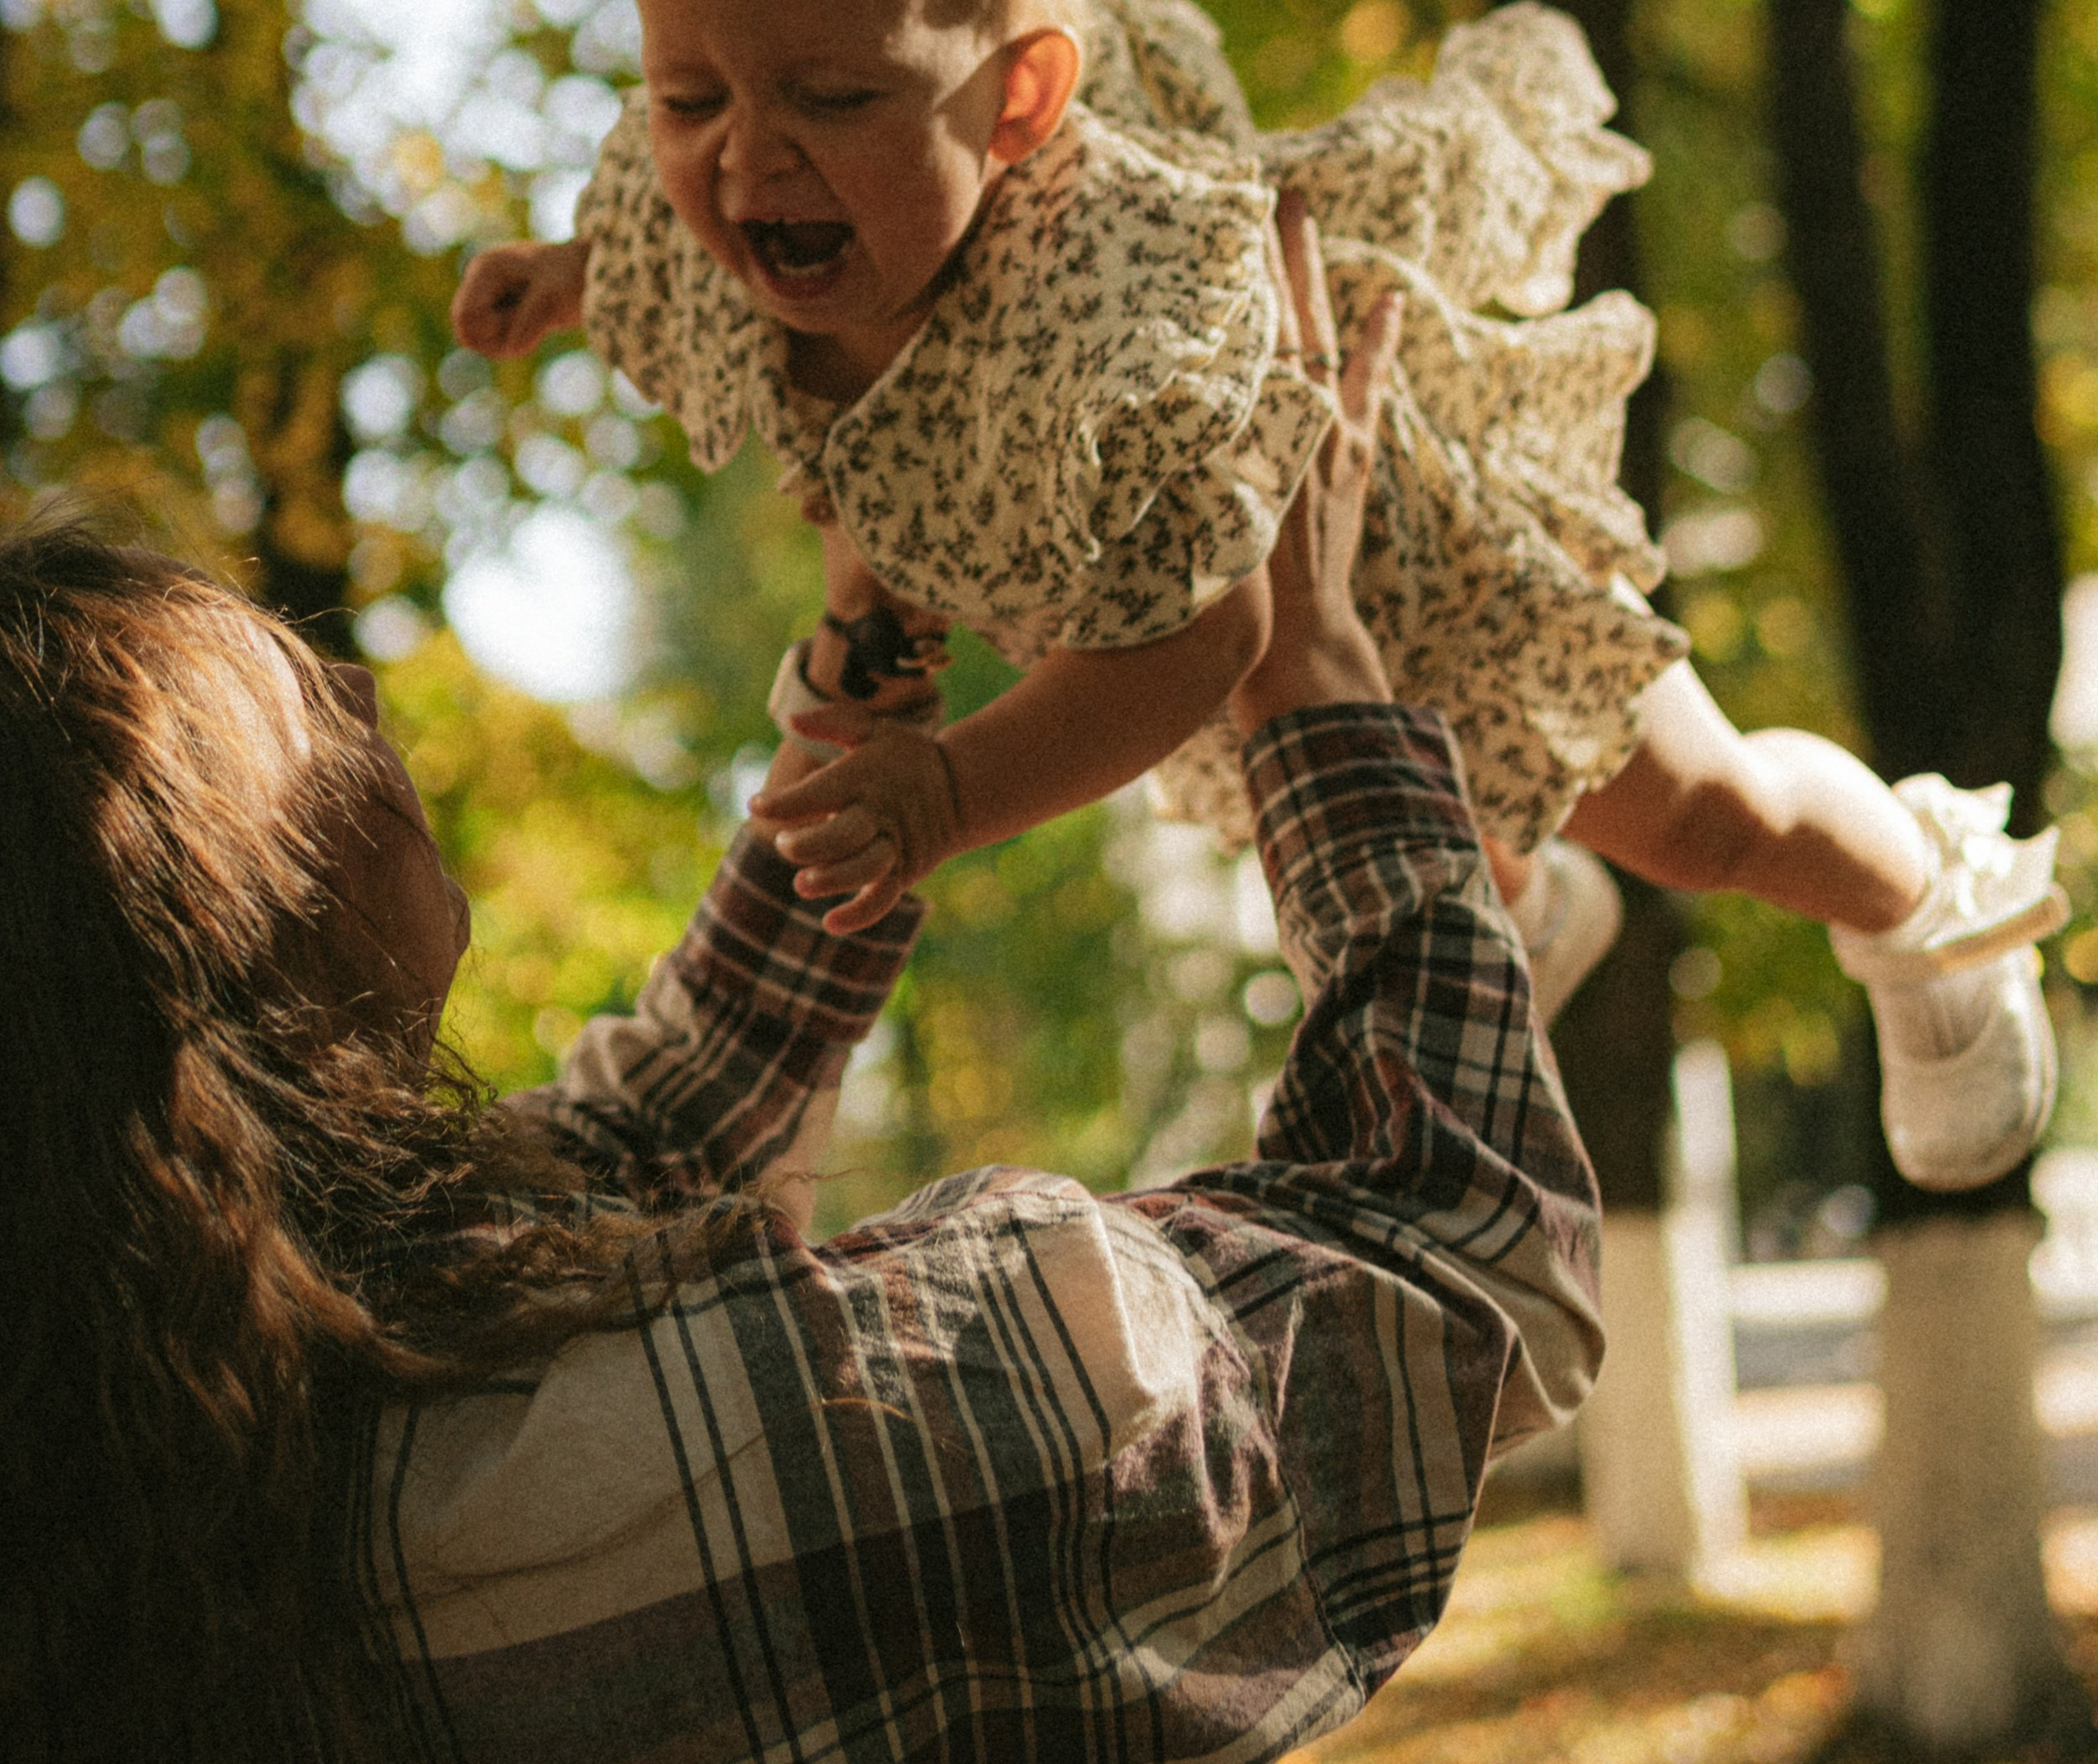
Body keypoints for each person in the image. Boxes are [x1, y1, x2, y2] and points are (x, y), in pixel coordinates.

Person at [4, 209, 1605, 1764]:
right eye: (293, 703)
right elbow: (1466, 1269)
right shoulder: (730, 1464)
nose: (358, 685)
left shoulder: (192, 1438)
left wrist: (870, 658)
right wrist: (1318, 684)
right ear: (204, 950)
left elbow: (638, 1143)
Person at [453, 0, 2065, 1193]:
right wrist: (573, 275)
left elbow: (1221, 627)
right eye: (687, 98)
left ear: (1015, 106)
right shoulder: (736, 176)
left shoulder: (1116, 309)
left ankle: (1933, 902)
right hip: (1168, 632)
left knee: (1713, 820)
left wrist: (949, 794)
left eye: (829, 99)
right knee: (1390, 858)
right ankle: (1518, 904)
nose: (747, 161)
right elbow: (672, 225)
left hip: (1401, 568)